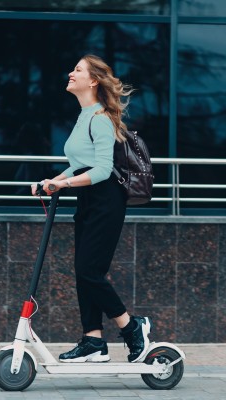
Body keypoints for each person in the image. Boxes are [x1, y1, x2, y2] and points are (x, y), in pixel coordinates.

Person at [31, 54, 153, 363]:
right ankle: (93, 340)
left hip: (106, 201)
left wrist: (64, 185)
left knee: (88, 270)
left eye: (78, 70)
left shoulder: (100, 118)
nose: (70, 74)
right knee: (85, 272)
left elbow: (101, 170)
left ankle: (131, 326)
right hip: (88, 201)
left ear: (93, 81)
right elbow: (78, 165)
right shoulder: (84, 115)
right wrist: (52, 180)